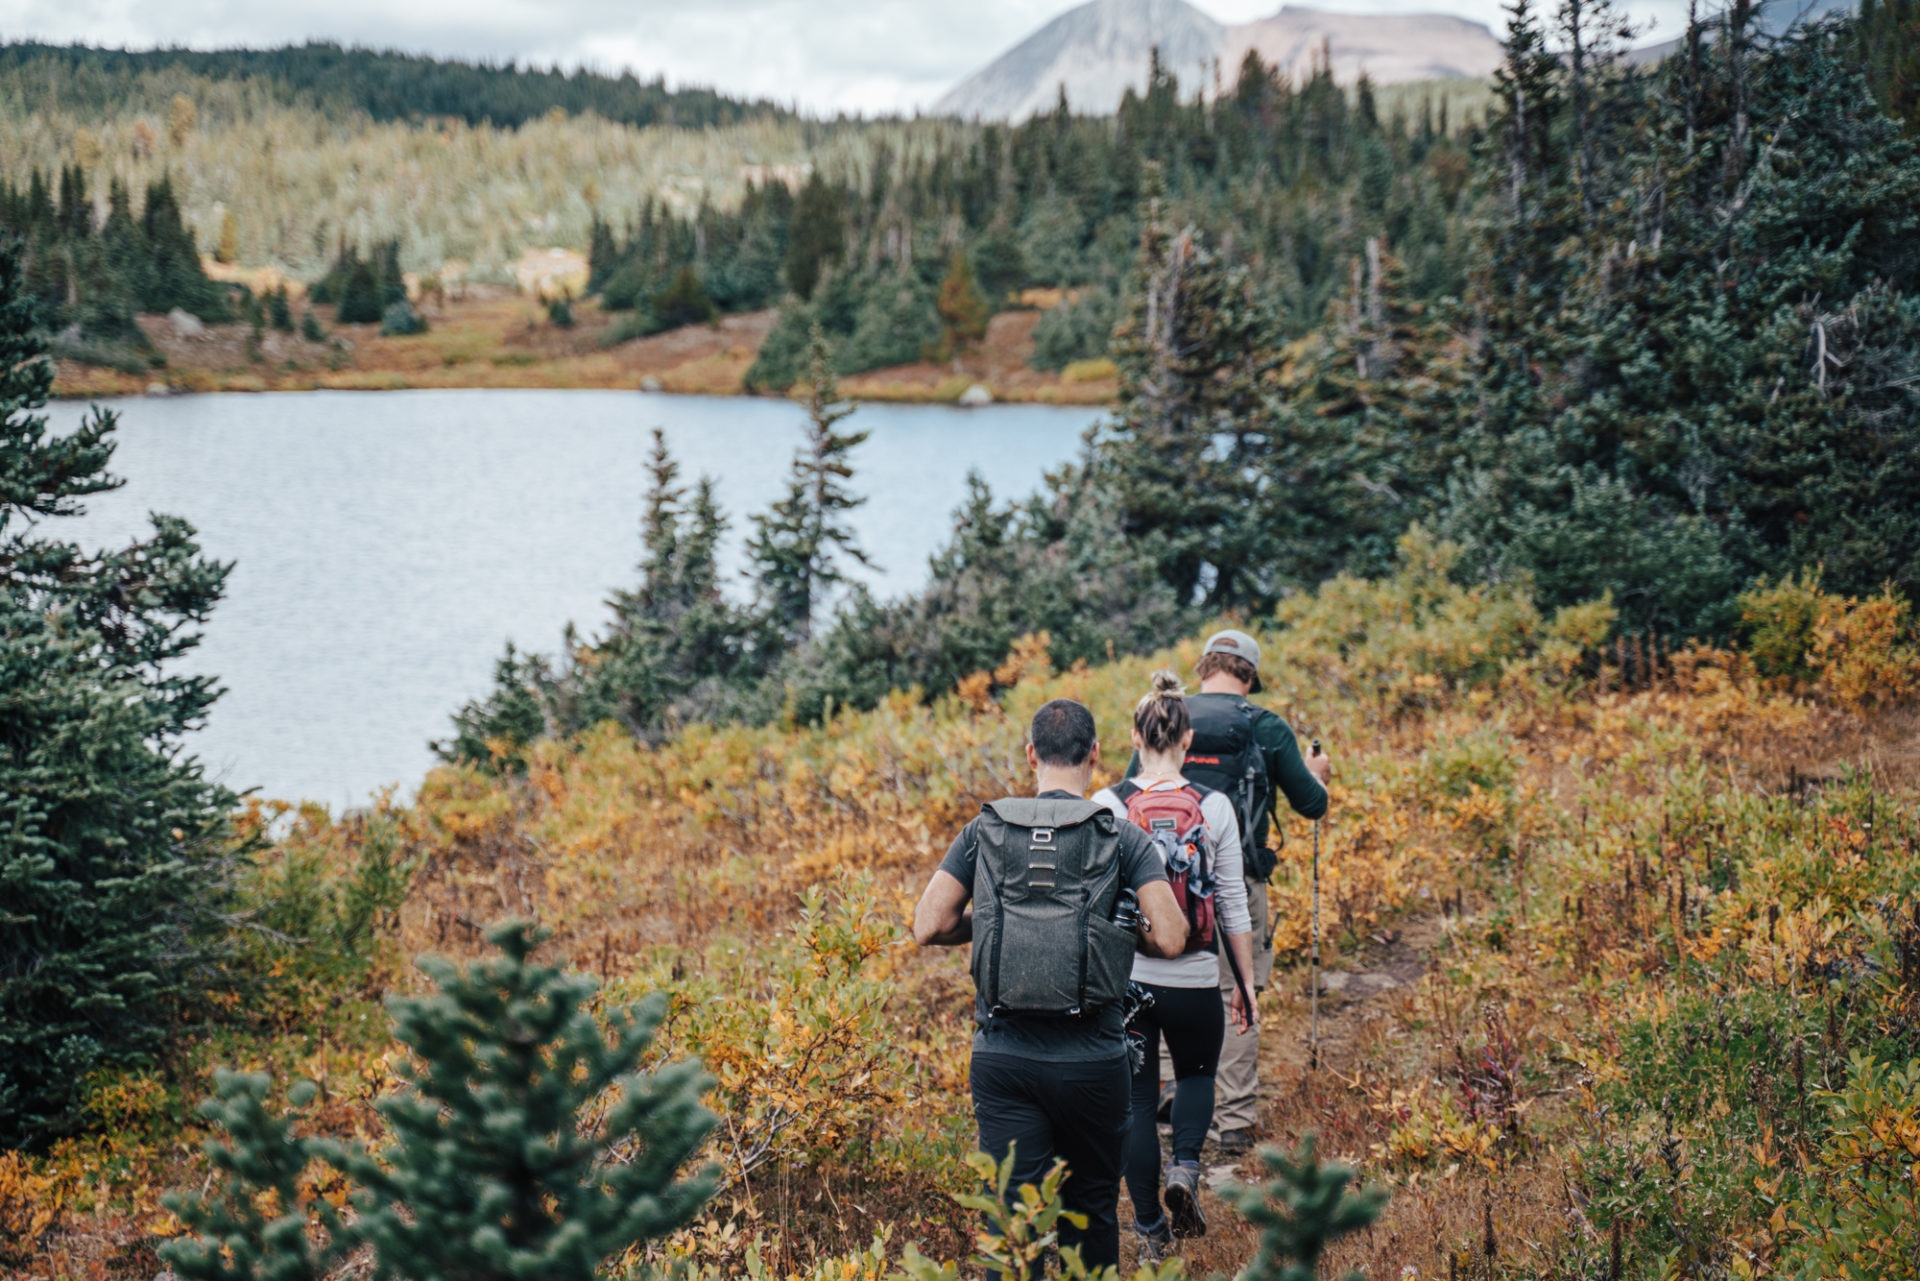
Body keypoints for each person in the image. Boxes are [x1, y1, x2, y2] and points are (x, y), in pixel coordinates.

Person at [914, 698, 1187, 1273]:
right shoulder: (1122, 837)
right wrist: (1115, 934)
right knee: (1090, 1210)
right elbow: (1170, 937)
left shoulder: (982, 830)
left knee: (1011, 1223)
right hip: (1093, 1059)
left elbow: (928, 924)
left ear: (1031, 754)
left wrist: (988, 922)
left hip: (1005, 1056)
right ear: (1094, 755)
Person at [1126, 629, 1331, 1156]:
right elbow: (1311, 805)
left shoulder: (1166, 715)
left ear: (1203, 667)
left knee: (1160, 977)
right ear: (1250, 675)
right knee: (1236, 987)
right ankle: (1235, 1119)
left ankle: (1172, 1090)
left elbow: (1133, 791)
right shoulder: (1265, 726)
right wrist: (1316, 775)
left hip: (1157, 879)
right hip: (1237, 876)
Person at [1092, 671, 1256, 1256]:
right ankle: (1185, 1169)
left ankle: (1149, 1229)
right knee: (1195, 1076)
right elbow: (1232, 901)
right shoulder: (1214, 806)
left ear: (1135, 738)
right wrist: (1245, 983)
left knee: (1136, 1100)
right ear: (1187, 740)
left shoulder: (1107, 804)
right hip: (1193, 976)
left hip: (1129, 981)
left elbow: (1093, 900)